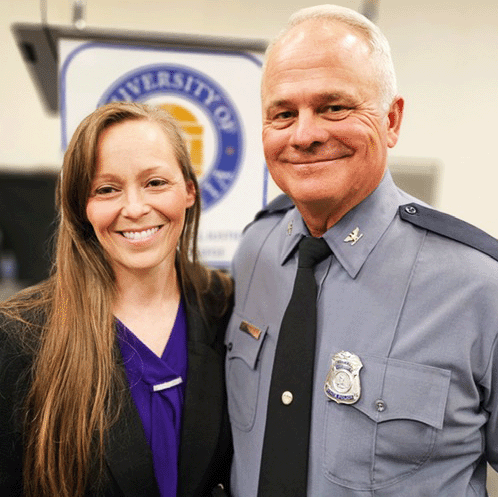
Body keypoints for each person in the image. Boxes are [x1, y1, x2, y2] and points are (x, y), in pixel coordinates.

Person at [225, 4, 498, 496]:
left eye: (334, 107)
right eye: (283, 114)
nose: (305, 134)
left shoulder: (480, 287)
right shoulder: (254, 251)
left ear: (392, 119)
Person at [0, 102, 232, 497]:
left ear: (189, 191)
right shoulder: (20, 334)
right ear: (81, 207)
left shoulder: (224, 306)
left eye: (156, 183)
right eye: (107, 189)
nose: (136, 208)